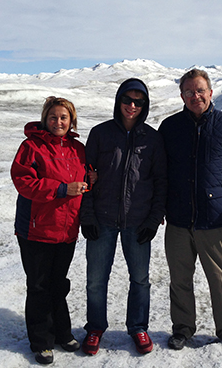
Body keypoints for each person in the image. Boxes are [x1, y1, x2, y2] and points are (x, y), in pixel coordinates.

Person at [158, 69, 222, 355]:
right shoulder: (170, 127)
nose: (195, 96)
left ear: (211, 93)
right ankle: (183, 329)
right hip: (178, 219)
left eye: (200, 90)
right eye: (189, 91)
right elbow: (159, 172)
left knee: (220, 278)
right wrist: (159, 207)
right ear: (182, 96)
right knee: (179, 279)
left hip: (216, 218)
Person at [79, 78, 167, 356]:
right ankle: (95, 327)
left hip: (138, 220)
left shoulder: (152, 139)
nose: (132, 106)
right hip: (102, 219)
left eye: (138, 102)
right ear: (118, 101)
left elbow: (161, 181)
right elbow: (85, 175)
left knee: (140, 278)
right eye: (127, 100)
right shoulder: (100, 133)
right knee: (95, 279)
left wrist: (154, 219)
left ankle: (138, 326)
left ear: (145, 105)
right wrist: (87, 216)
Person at [11, 96, 92, 365]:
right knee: (39, 286)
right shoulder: (31, 147)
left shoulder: (77, 149)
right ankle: (42, 342)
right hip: (36, 229)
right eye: (54, 117)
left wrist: (91, 179)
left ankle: (62, 332)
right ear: (45, 119)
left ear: (72, 121)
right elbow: (23, 181)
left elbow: (81, 181)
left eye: (64, 117)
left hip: (66, 229)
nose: (59, 122)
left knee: (59, 284)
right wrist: (60, 189)